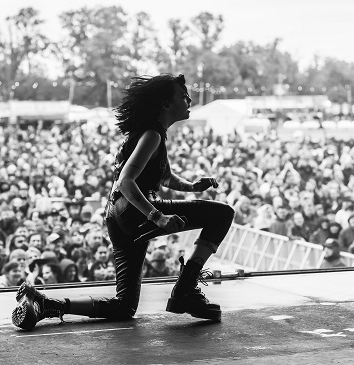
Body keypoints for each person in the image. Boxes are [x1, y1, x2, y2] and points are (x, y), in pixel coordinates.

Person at [12, 74, 234, 330]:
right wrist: (157, 216)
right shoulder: (153, 135)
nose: (189, 99)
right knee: (223, 214)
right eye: (183, 96)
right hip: (137, 212)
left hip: (117, 217)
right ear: (165, 104)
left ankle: (47, 304)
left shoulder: (150, 134)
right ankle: (186, 288)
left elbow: (165, 177)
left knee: (125, 306)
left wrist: (192, 186)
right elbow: (126, 182)